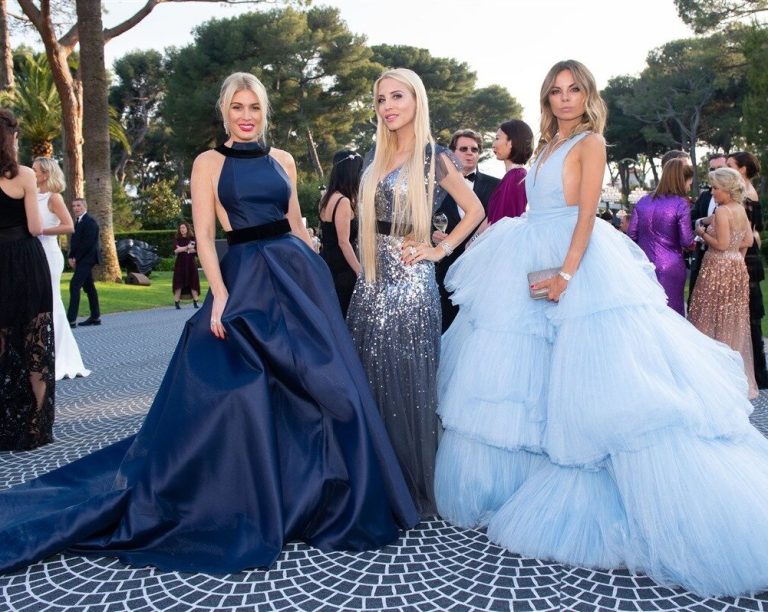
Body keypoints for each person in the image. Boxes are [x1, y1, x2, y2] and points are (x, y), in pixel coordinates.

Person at [0, 72, 418, 575]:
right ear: (224, 111)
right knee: (240, 391)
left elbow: (295, 225)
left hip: (298, 279)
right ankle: (256, 494)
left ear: (264, 113)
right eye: (238, 107)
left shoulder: (282, 159)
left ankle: (327, 495)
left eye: (255, 109)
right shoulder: (208, 162)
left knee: (334, 391)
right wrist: (219, 297)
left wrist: (316, 264)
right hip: (244, 279)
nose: (247, 116)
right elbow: (204, 235)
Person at [435, 59, 768, 597]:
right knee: (531, 372)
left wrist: (567, 272)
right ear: (546, 97)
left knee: (598, 378)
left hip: (578, 261)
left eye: (574, 90)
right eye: (556, 91)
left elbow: (586, 212)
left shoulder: (590, 143)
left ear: (587, 96)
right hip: (529, 253)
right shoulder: (541, 148)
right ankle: (526, 480)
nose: (565, 98)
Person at [346, 68, 484, 517]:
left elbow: (475, 210)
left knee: (408, 386)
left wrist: (437, 249)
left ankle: (408, 487)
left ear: (416, 101)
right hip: (370, 283)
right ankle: (375, 479)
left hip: (409, 283)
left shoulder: (434, 156)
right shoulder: (376, 154)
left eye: (397, 96)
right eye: (381, 98)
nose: (387, 106)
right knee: (368, 378)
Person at [0, 109, 55, 450]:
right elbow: (35, 227)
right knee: (35, 342)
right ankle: (35, 427)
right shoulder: (22, 175)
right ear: (12, 139)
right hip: (24, 261)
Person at [688, 167, 758, 399]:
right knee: (731, 320)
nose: (712, 191)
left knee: (707, 317)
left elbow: (721, 243)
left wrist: (701, 232)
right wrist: (736, 257)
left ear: (727, 189)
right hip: (736, 267)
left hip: (717, 267)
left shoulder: (723, 211)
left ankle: (709, 375)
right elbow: (747, 239)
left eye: (716, 187)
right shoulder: (740, 209)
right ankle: (731, 375)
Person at [433, 129, 499, 331]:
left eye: (475, 149)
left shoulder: (496, 186)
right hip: (445, 269)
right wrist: (431, 236)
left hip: (483, 270)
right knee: (446, 327)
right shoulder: (436, 187)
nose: (470, 153)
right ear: (452, 154)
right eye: (464, 149)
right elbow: (424, 221)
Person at [32, 157, 91, 380]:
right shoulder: (31, 196)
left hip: (49, 253)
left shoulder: (53, 197)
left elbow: (68, 226)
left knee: (52, 301)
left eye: (36, 170)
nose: (33, 172)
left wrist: (42, 231)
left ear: (46, 174)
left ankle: (61, 359)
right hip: (34, 253)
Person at [627, 157, 695, 316]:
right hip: (671, 265)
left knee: (648, 312)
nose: (689, 187)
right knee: (672, 312)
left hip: (644, 265)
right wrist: (698, 238)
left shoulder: (642, 202)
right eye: (689, 183)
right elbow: (686, 241)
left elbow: (631, 236)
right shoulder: (680, 204)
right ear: (682, 180)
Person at [727, 151, 768, 389]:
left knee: (749, 318)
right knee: (747, 317)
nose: (727, 167)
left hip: (745, 258)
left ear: (742, 170)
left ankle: (757, 372)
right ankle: (756, 370)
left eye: (731, 165)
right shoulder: (749, 191)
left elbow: (748, 235)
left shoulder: (744, 194)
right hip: (749, 257)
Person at [318, 150, 363, 317]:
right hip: (342, 270)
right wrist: (360, 272)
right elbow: (343, 242)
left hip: (326, 264)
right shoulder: (342, 202)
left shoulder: (326, 198)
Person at [688, 153, 727, 308]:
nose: (716, 172)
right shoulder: (705, 196)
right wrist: (703, 222)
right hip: (702, 255)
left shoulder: (738, 200)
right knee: (696, 302)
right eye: (712, 169)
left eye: (720, 168)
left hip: (725, 261)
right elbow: (689, 221)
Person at [67, 198, 101, 327]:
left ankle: (71, 320)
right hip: (82, 258)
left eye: (78, 205)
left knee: (74, 285)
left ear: (85, 206)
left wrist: (76, 259)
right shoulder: (78, 222)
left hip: (88, 259)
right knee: (89, 287)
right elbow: (75, 242)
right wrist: (71, 256)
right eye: (74, 205)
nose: (76, 208)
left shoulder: (90, 222)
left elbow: (87, 244)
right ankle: (95, 317)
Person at [172, 221, 201, 309]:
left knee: (193, 282)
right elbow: (176, 251)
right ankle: (177, 302)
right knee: (178, 282)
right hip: (180, 264)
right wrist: (187, 248)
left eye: (183, 228)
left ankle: (195, 301)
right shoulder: (177, 239)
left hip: (191, 264)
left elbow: (195, 250)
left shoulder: (192, 238)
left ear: (187, 229)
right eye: (180, 228)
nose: (182, 229)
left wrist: (182, 249)